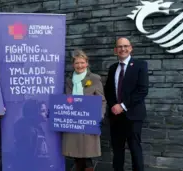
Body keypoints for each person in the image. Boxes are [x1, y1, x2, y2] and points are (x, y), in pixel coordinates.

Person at [104, 37, 149, 171]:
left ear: (130, 48)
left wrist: (122, 106)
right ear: (115, 50)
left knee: (135, 149)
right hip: (116, 116)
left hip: (133, 115)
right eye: (119, 46)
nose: (122, 49)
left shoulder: (141, 65)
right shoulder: (112, 68)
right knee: (117, 151)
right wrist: (113, 105)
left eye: (125, 46)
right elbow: (109, 90)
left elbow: (142, 90)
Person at [62, 49, 107, 171]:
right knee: (76, 155)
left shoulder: (94, 78)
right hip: (73, 120)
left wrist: (100, 115)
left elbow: (102, 100)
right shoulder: (68, 80)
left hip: (88, 121)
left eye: (82, 62)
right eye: (77, 63)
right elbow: (67, 99)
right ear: (73, 65)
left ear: (87, 63)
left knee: (87, 156)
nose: (79, 65)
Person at [13, 100, 53, 171]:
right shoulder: (28, 130)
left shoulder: (37, 127)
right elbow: (27, 156)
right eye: (43, 111)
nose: (46, 114)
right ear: (34, 113)